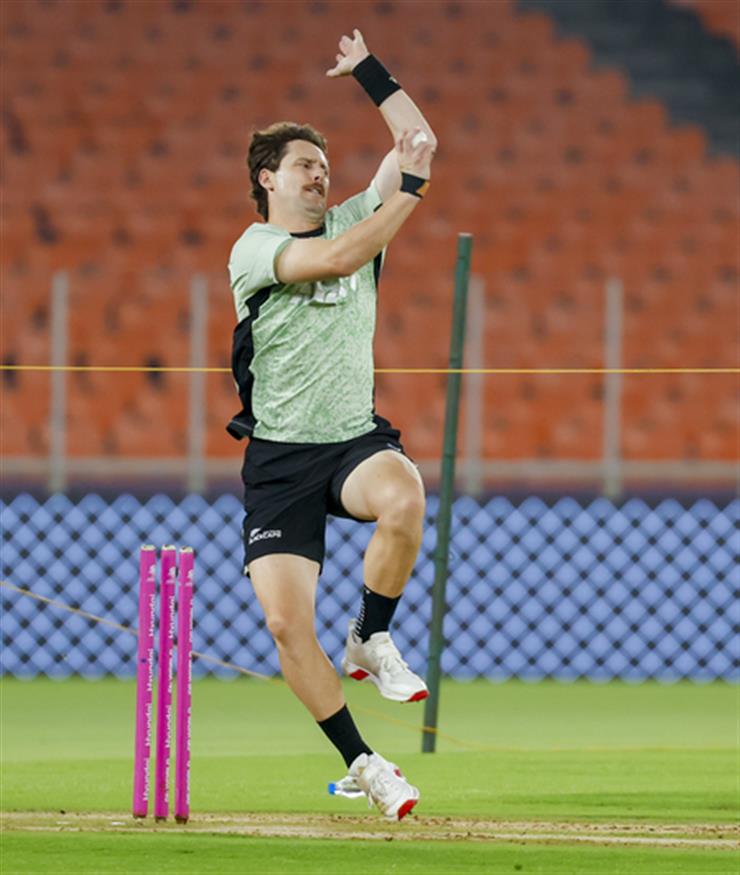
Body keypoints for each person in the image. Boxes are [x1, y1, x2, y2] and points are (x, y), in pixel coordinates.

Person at [227, 29, 437, 820]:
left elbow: (419, 142)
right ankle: (366, 763)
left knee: (405, 496)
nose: (319, 174)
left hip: (351, 438)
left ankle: (371, 637)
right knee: (287, 627)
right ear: (268, 178)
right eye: (303, 165)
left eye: (324, 165)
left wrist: (369, 73)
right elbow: (340, 259)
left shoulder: (354, 217)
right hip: (280, 457)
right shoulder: (256, 248)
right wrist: (408, 195)